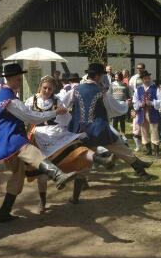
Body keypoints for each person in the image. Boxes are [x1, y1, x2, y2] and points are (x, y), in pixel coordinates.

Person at [0, 63, 78, 223]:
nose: (20, 80)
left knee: (17, 178)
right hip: (11, 138)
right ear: (12, 78)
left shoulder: (2, 95)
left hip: (4, 139)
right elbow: (32, 117)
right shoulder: (10, 100)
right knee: (31, 151)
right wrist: (55, 112)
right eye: (19, 77)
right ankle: (57, 175)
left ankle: (4, 212)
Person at [24, 76, 113, 212]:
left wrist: (64, 112)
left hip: (56, 132)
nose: (47, 91)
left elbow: (65, 119)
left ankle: (102, 160)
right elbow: (26, 117)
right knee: (41, 173)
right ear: (40, 87)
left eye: (50, 89)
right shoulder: (31, 100)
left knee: (77, 147)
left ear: (54, 89)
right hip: (39, 135)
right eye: (45, 88)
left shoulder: (57, 100)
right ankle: (42, 202)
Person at [62, 63, 154, 180]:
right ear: (97, 76)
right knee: (119, 147)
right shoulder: (101, 91)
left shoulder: (75, 90)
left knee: (87, 157)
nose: (102, 78)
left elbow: (62, 104)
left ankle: (81, 184)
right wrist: (126, 104)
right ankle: (140, 169)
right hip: (98, 130)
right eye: (101, 76)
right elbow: (114, 107)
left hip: (80, 131)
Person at [133, 70, 161, 157]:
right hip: (142, 112)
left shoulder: (155, 88)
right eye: (145, 78)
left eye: (148, 78)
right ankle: (148, 150)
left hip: (152, 112)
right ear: (142, 79)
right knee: (144, 131)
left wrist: (152, 103)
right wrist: (139, 104)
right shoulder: (138, 89)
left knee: (154, 130)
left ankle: (156, 151)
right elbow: (135, 101)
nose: (147, 80)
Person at [128, 63, 146, 152]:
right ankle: (138, 145)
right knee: (136, 124)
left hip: (146, 103)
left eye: (141, 68)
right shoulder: (133, 78)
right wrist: (133, 101)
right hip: (136, 102)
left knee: (145, 125)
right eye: (138, 68)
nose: (139, 69)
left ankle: (146, 144)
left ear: (144, 68)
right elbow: (130, 89)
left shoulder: (147, 77)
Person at [111, 71, 130, 141]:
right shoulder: (111, 84)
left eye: (118, 77)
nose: (116, 78)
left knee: (122, 120)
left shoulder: (124, 84)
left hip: (122, 104)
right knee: (115, 120)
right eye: (115, 77)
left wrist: (128, 100)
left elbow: (127, 94)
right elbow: (110, 94)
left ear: (121, 77)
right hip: (115, 104)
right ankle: (115, 134)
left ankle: (123, 134)